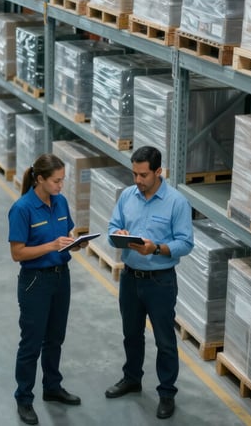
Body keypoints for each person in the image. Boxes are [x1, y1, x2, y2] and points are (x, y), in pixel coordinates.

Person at [105, 146, 194, 420]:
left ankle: (166, 393)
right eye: (134, 174)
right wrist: (117, 234)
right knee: (131, 334)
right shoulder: (127, 196)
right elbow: (111, 230)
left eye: (143, 175)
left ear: (159, 172)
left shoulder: (177, 202)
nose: (138, 180)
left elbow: (185, 243)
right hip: (130, 279)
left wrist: (156, 249)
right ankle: (132, 378)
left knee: (165, 341)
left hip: (160, 282)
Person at [8, 154, 87, 425]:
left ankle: (52, 387)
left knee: (55, 338)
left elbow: (64, 237)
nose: (60, 185)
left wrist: (76, 244)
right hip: (35, 282)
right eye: (56, 180)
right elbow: (17, 253)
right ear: (40, 179)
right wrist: (51, 246)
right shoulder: (22, 208)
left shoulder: (61, 202)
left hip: (60, 277)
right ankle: (24, 398)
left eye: (62, 180)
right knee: (31, 343)